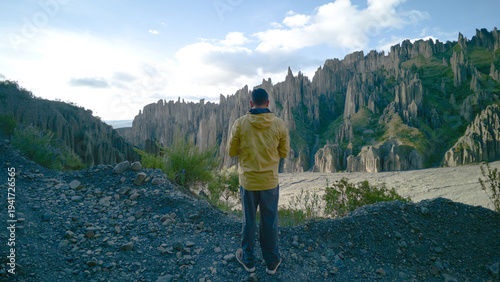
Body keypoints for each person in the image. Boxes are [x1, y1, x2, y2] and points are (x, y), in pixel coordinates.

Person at [228, 88, 290, 275]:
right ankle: (272, 262)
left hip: (248, 182)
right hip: (270, 183)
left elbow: (231, 152)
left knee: (248, 221)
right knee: (269, 221)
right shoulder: (279, 124)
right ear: (268, 103)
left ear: (251, 103)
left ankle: (248, 261)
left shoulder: (240, 124)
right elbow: (285, 153)